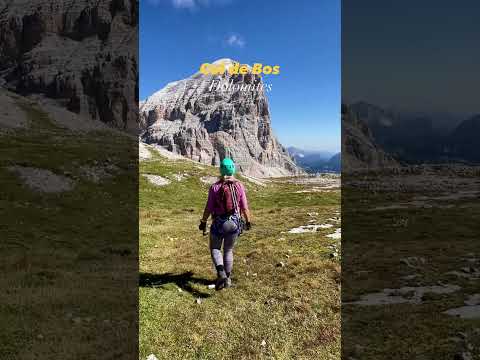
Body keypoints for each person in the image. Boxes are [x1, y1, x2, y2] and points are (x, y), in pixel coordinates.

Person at [199, 158, 252, 290]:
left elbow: (208, 208)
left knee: (215, 249)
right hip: (234, 223)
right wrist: (248, 222)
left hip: (219, 223)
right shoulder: (239, 186)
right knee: (228, 250)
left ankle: (221, 273)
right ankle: (227, 280)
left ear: (221, 170)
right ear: (233, 169)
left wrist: (203, 221)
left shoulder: (215, 187)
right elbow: (245, 207)